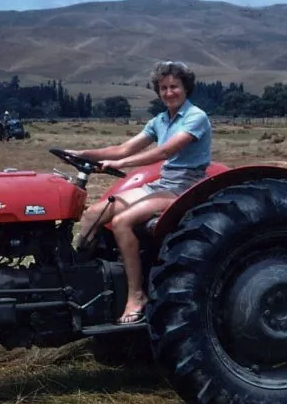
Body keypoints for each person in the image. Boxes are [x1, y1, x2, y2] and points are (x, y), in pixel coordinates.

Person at [65, 61, 212, 325]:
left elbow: (165, 152)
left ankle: (136, 296)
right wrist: (80, 154)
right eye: (163, 88)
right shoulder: (160, 120)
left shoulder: (196, 117)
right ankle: (79, 281)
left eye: (174, 87)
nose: (169, 92)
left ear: (185, 88)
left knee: (122, 222)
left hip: (185, 187)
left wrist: (121, 165)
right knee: (92, 216)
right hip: (164, 184)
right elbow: (123, 148)